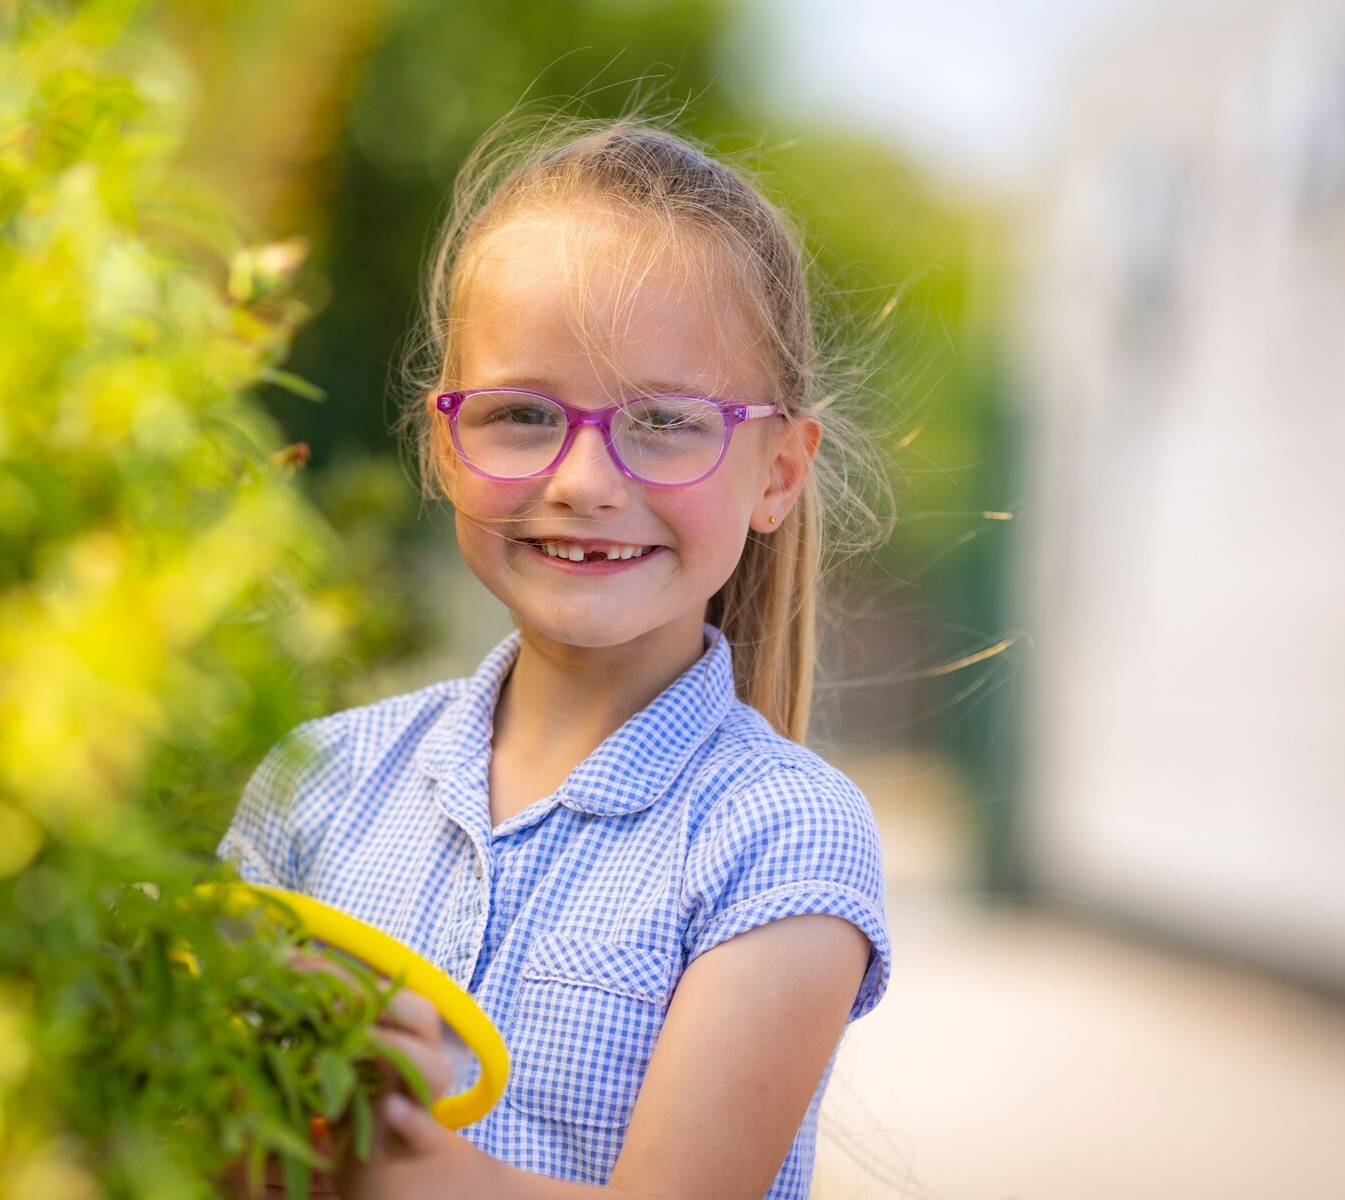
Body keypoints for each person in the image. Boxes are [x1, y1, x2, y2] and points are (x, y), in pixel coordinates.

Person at [218, 114, 892, 1200]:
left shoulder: (778, 838)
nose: (582, 479)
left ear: (776, 472)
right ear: (443, 443)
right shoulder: (319, 783)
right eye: (522, 413)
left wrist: (378, 1151)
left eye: (666, 422)